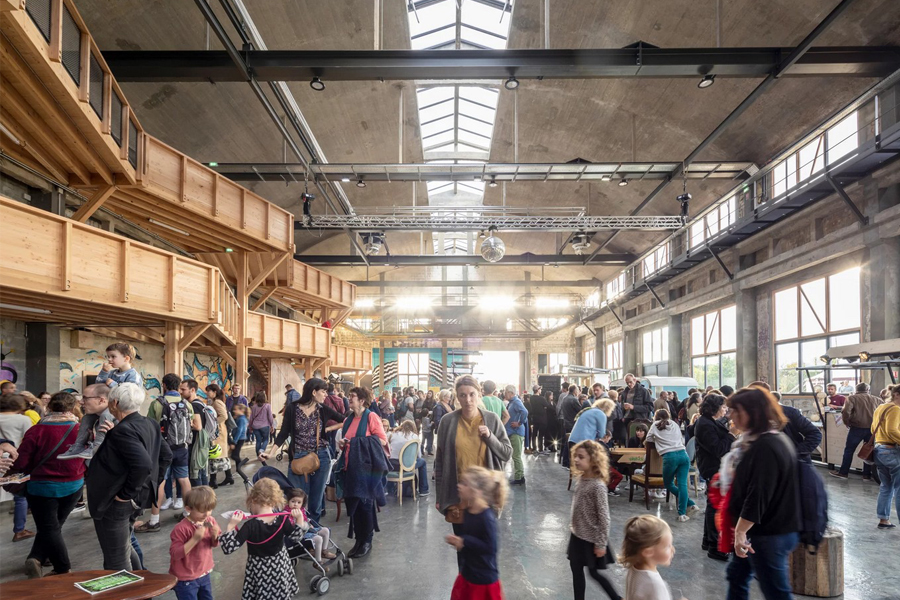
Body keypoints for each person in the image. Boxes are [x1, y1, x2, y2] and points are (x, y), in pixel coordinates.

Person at [725, 387, 800, 600]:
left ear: (752, 412)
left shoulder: (765, 446)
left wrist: (740, 532)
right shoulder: (766, 440)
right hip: (762, 530)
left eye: (736, 411)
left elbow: (758, 494)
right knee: (737, 576)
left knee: (776, 592)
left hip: (768, 533)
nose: (731, 416)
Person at [88, 382, 166, 570]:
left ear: (114, 403)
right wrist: (151, 483)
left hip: (116, 500)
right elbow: (166, 456)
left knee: (116, 559)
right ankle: (140, 580)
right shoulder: (149, 423)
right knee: (124, 547)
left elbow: (143, 464)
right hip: (136, 497)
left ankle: (130, 587)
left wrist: (126, 495)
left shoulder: (123, 430)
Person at [10, 392, 84, 578]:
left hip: (42, 486)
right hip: (74, 485)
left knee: (49, 527)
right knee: (53, 526)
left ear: (49, 407)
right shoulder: (81, 430)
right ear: (73, 408)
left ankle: (62, 568)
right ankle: (36, 557)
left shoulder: (37, 430)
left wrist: (12, 476)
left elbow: (23, 460)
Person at [434, 375, 512, 527]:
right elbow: (440, 463)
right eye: (462, 395)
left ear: (479, 394)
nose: (468, 400)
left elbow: (506, 453)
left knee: (484, 540)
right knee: (462, 541)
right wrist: (440, 496)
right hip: (458, 498)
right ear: (457, 397)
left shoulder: (492, 419)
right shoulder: (447, 422)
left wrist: (490, 437)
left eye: (472, 394)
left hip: (485, 500)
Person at [267, 378, 343, 523]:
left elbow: (344, 420)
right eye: (323, 391)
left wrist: (328, 429)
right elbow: (283, 433)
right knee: (295, 497)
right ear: (314, 392)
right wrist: (270, 452)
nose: (326, 394)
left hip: (321, 456)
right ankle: (298, 528)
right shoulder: (292, 408)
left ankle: (312, 530)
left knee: (316, 500)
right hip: (298, 456)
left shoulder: (323, 409)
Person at [219, 478, 305, 600]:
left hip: (259, 569)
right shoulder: (282, 520)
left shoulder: (250, 526)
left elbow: (228, 548)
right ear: (275, 500)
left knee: (262, 594)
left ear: (253, 500)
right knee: (280, 593)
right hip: (279, 565)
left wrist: (231, 526)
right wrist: (299, 519)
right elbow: (297, 537)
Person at [140, 373, 197, 531]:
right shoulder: (187, 404)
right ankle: (188, 514)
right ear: (178, 386)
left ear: (164, 385)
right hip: (182, 448)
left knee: (160, 481)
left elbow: (151, 426)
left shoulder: (157, 403)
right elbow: (191, 423)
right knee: (184, 479)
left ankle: (154, 520)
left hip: (162, 448)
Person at [337, 386, 389, 559]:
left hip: (366, 470)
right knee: (354, 506)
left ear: (362, 400)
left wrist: (356, 442)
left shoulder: (371, 417)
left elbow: (382, 440)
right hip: (350, 468)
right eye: (349, 396)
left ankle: (367, 540)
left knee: (365, 505)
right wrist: (344, 444)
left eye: (352, 396)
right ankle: (359, 540)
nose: (349, 398)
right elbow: (347, 443)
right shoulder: (348, 420)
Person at [568, 440, 622, 600]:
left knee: (594, 573)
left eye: (581, 457)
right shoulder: (582, 479)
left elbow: (604, 517)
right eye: (575, 456)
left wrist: (600, 544)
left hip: (591, 538)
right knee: (576, 570)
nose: (576, 460)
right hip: (577, 535)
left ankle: (617, 598)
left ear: (593, 460)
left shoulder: (598, 486)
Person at [444, 466, 508, 600]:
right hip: (468, 575)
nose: (459, 486)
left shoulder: (486, 518)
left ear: (477, 491)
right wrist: (459, 542)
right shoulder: (468, 511)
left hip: (482, 581)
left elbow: (491, 548)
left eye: (464, 483)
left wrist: (464, 541)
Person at [693, 393, 735, 561]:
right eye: (723, 407)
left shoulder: (709, 421)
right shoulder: (705, 424)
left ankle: (708, 541)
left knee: (713, 505)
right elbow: (718, 449)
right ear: (714, 408)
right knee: (716, 507)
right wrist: (731, 435)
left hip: (713, 467)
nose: (725, 410)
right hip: (712, 467)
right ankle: (715, 546)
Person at [645, 409, 698, 521]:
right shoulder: (674, 423)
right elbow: (680, 438)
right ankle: (684, 512)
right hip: (683, 455)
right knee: (682, 485)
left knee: (668, 483)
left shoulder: (655, 425)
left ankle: (689, 505)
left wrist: (658, 442)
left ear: (656, 417)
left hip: (670, 457)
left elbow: (648, 439)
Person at [169, 486, 219, 600]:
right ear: (188, 509)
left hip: (204, 572)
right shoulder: (181, 529)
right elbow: (175, 554)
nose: (206, 514)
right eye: (202, 511)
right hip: (185, 578)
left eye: (210, 509)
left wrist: (214, 536)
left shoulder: (210, 521)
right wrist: (195, 539)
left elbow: (213, 544)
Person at [0, 393, 34, 542]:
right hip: (16, 458)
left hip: (1, 456)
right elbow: (30, 439)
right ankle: (19, 530)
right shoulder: (23, 419)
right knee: (20, 495)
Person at [620, 515, 679, 600]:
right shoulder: (655, 585)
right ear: (648, 552)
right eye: (667, 546)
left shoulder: (634, 568)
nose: (673, 549)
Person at [833, 382, 881, 480]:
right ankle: (866, 475)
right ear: (868, 390)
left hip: (856, 428)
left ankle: (843, 473)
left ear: (856, 389)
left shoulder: (852, 398)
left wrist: (847, 422)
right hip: (872, 430)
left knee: (849, 450)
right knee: (869, 451)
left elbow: (846, 412)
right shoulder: (878, 400)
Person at [57, 382, 118, 461]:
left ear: (101, 400)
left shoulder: (118, 418)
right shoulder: (91, 417)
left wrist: (114, 435)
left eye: (85, 398)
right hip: (99, 464)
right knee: (87, 417)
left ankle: (96, 447)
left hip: (115, 464)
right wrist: (89, 440)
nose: (81, 402)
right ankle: (78, 446)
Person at [872, 384, 900, 529]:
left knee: (886, 486)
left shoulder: (881, 407)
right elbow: (892, 431)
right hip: (892, 451)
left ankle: (883, 519)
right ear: (896, 395)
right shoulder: (895, 409)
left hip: (879, 450)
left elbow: (873, 429)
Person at [286, 488, 335, 562]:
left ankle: (324, 551)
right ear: (288, 501)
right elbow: (292, 528)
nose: (295, 504)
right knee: (318, 539)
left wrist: (308, 524)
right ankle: (318, 561)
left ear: (302, 504)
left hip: (308, 528)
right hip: (299, 534)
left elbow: (306, 519)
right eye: (293, 501)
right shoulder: (286, 513)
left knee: (325, 530)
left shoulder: (302, 510)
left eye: (299, 502)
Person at [388, 419, 430, 497]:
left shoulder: (393, 434)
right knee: (422, 462)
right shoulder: (414, 436)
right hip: (406, 465)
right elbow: (419, 455)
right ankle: (423, 490)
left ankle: (390, 489)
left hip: (393, 465)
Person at [205, 384, 233, 488]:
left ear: (214, 392)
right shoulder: (216, 402)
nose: (207, 393)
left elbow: (224, 416)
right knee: (219, 456)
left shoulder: (217, 402)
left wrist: (214, 423)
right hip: (219, 432)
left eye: (209, 391)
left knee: (215, 454)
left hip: (218, 432)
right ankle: (227, 477)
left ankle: (214, 480)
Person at [503, 384, 528, 485]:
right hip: (513, 432)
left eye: (505, 392)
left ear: (510, 393)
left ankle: (519, 478)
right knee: (515, 456)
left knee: (516, 456)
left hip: (516, 432)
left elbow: (525, 412)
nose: (504, 394)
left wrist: (519, 423)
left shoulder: (516, 402)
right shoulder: (512, 402)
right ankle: (519, 476)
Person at [248, 391, 275, 458]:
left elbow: (251, 417)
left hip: (255, 426)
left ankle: (258, 455)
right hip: (265, 426)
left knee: (258, 440)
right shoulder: (267, 406)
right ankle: (261, 450)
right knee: (266, 439)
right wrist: (272, 425)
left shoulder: (254, 407)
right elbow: (270, 416)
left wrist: (250, 426)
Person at [528, 388, 551, 454]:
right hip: (542, 419)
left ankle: (534, 448)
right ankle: (540, 449)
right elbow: (547, 406)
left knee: (534, 434)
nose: (541, 390)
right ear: (538, 390)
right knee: (541, 435)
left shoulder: (531, 398)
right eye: (540, 389)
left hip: (535, 418)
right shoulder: (541, 398)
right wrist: (544, 408)